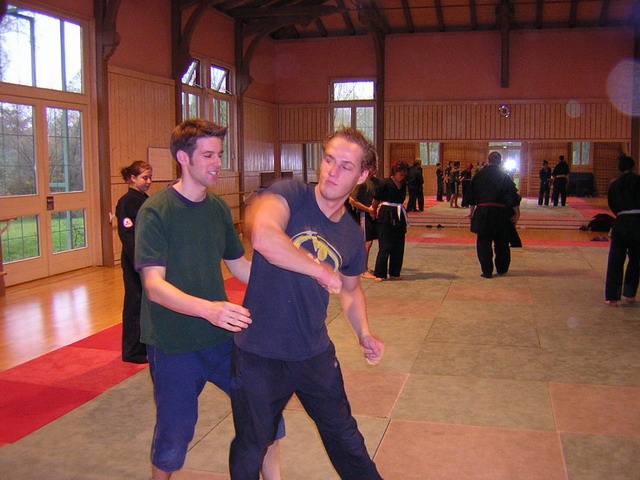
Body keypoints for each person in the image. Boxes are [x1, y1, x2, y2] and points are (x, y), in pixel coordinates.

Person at [229, 127, 385, 480]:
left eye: (346, 166)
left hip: (313, 353)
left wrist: (364, 333)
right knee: (252, 445)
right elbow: (264, 237)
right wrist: (320, 270)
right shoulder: (289, 194)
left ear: (362, 176)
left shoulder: (351, 233)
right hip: (259, 352)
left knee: (345, 438)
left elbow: (351, 291)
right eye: (329, 159)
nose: (332, 171)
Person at [134, 119, 281, 480]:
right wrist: (209, 310)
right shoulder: (156, 212)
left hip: (221, 340)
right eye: (209, 155)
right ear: (183, 158)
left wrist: (290, 283)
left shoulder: (216, 208)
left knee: (264, 409)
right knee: (175, 433)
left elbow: (239, 266)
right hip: (174, 343)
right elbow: (154, 286)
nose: (218, 163)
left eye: (220, 154)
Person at [115, 160, 153, 364]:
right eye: (144, 178)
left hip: (147, 256)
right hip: (134, 259)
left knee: (145, 303)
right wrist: (139, 261)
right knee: (134, 303)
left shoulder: (144, 199)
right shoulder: (126, 202)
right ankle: (131, 351)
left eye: (150, 177)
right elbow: (127, 234)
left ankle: (144, 344)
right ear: (132, 178)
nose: (149, 181)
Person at [468, 151, 521, 278]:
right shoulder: (505, 176)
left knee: (483, 242)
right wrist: (517, 212)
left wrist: (471, 212)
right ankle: (502, 269)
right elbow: (512, 195)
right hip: (500, 213)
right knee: (502, 242)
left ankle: (487, 271)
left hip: (483, 211)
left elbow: (472, 195)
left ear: (488, 160)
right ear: (500, 162)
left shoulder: (479, 175)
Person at [604, 154, 640, 307]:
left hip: (621, 221)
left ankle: (612, 298)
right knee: (636, 259)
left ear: (620, 168)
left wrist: (621, 214)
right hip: (638, 222)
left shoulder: (615, 185)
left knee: (616, 260)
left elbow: (612, 205)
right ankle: (630, 294)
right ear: (633, 167)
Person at [372, 160, 409, 281]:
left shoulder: (404, 184)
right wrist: (373, 210)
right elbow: (376, 199)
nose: (402, 176)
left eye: (404, 174)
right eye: (400, 173)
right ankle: (380, 274)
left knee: (398, 245)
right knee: (385, 245)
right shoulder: (385, 183)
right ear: (394, 172)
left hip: (399, 214)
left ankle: (394, 272)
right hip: (385, 214)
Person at [349, 163, 381, 279]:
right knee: (366, 242)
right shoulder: (361, 181)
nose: (373, 170)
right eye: (371, 167)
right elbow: (352, 200)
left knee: (369, 241)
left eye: (375, 167)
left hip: (371, 213)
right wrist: (368, 209)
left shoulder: (376, 182)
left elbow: (378, 198)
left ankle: (364, 266)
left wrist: (375, 209)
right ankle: (362, 269)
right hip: (363, 213)